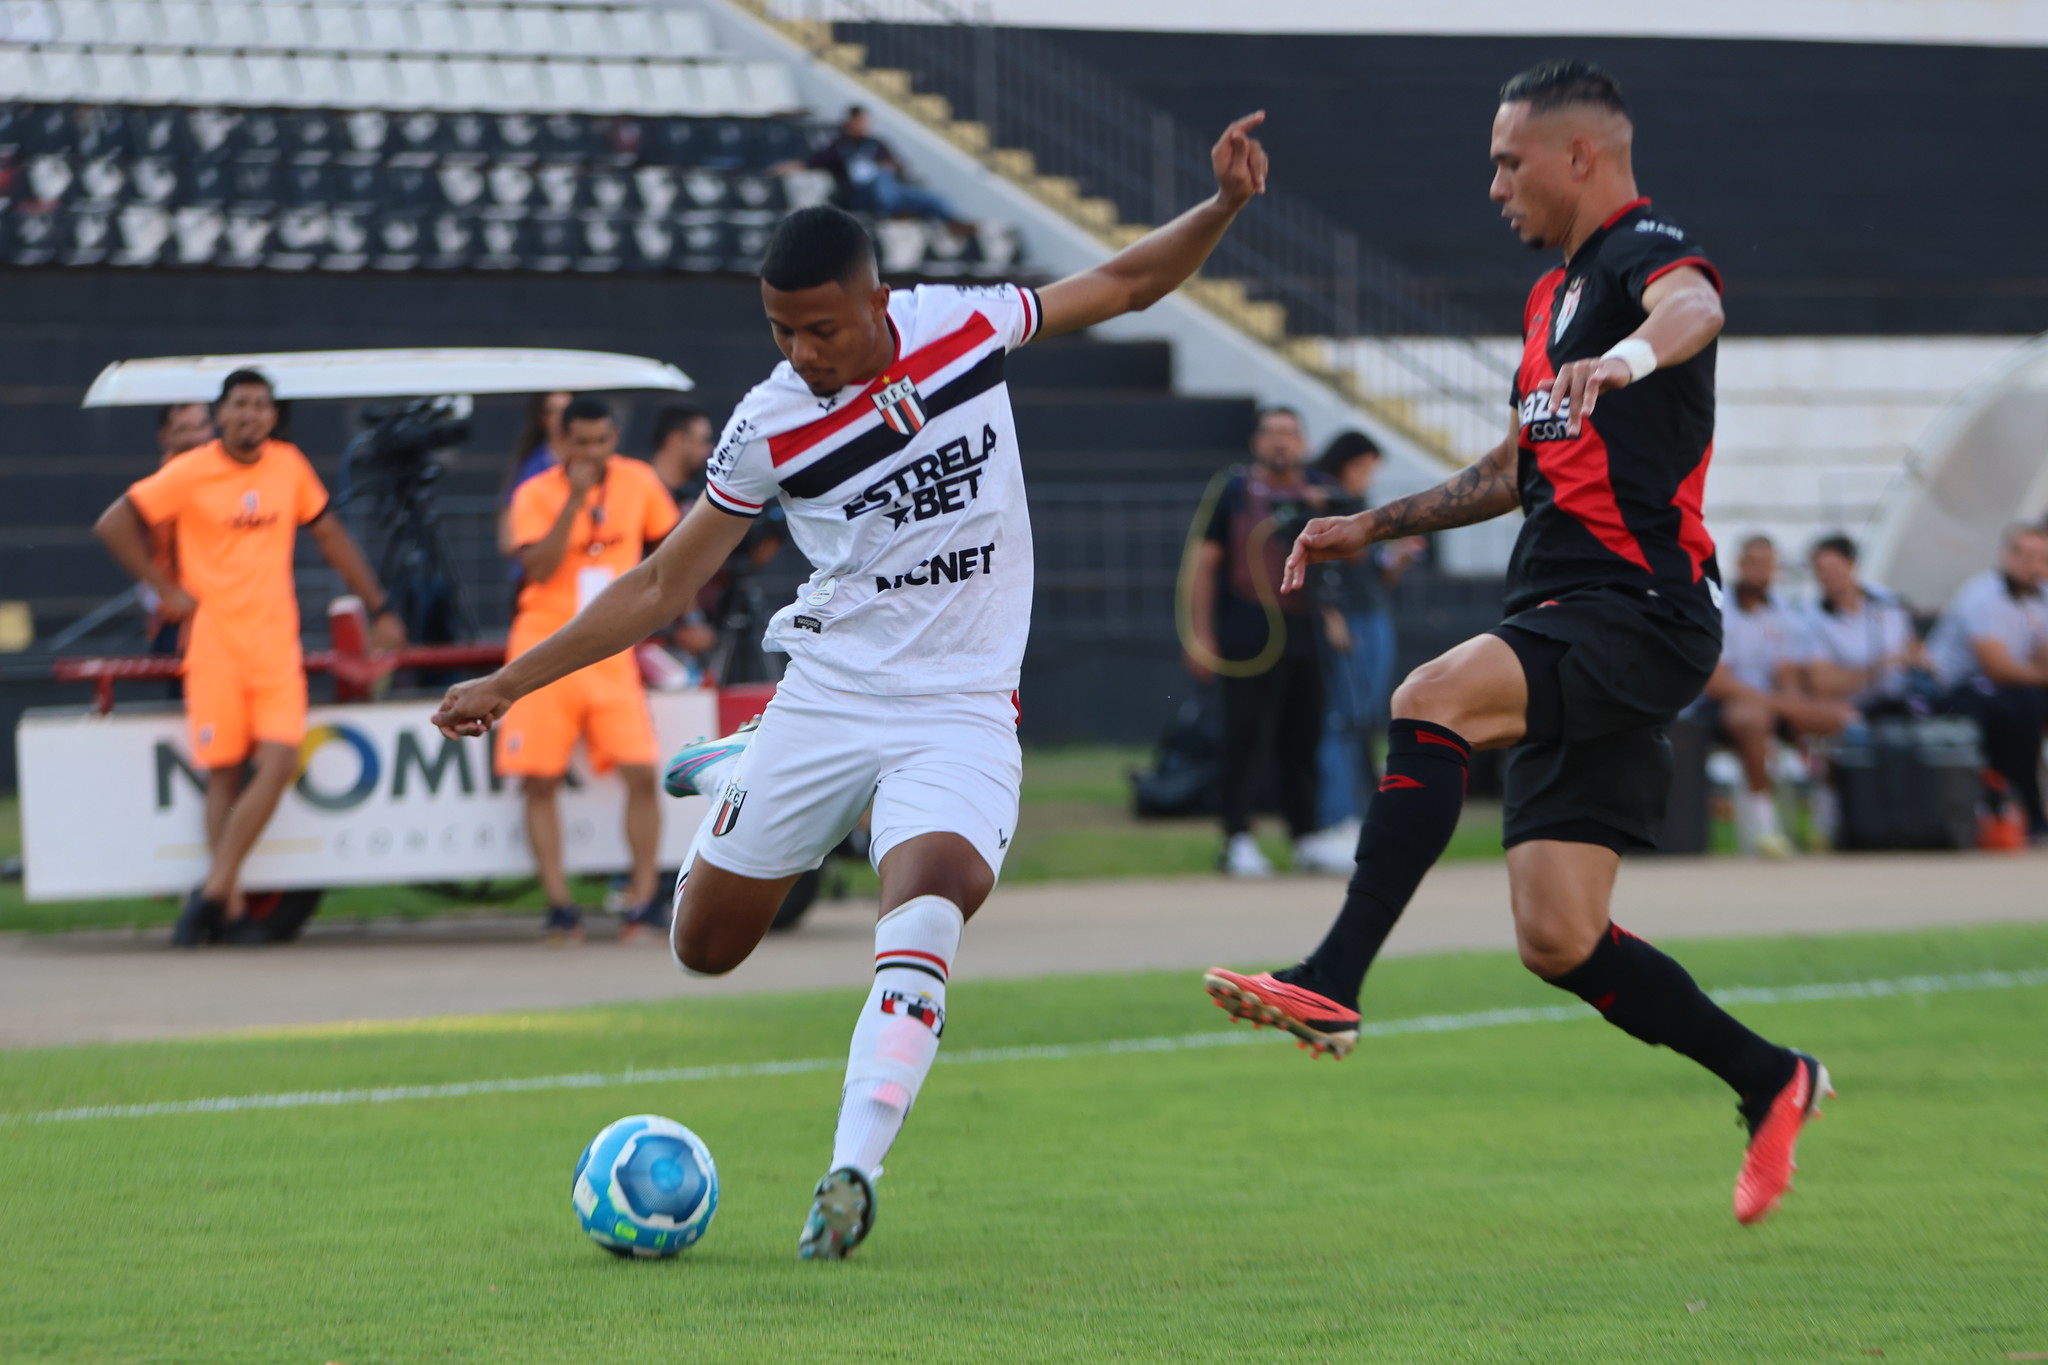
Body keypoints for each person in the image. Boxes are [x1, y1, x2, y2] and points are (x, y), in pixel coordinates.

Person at [433, 113, 1270, 1259]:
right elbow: (665, 581)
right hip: (829, 697)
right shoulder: (766, 426)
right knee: (706, 947)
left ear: (878, 302)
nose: (803, 353)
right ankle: (750, 772)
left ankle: (849, 1171)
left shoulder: (962, 327)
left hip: (961, 710)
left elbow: (1124, 283)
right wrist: (512, 679)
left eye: (821, 328)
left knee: (928, 903)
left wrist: (1220, 206)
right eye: (781, 332)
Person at [1201, 62, 1829, 1227]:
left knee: (1429, 694)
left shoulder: (1648, 255)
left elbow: (1696, 309)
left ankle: (1330, 979)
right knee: (1557, 936)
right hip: (1568, 615)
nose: (1492, 184)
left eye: (1506, 160)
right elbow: (1511, 470)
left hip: (1635, 609)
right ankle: (1771, 1077)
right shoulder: (1548, 304)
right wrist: (1363, 524)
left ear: (1576, 156)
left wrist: (1629, 357)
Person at [95, 369, 405, 945]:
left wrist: (379, 604)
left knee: (283, 760)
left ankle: (213, 890)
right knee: (224, 775)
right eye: (240, 405)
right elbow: (115, 523)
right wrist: (164, 588)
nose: (251, 416)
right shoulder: (188, 472)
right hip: (213, 645)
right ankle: (232, 909)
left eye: (261, 406)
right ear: (221, 414)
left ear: (273, 416)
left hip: (274, 643)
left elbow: (330, 534)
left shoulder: (288, 465)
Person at [497, 396, 680, 942]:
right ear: (562, 442)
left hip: (609, 647)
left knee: (642, 772)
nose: (593, 452)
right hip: (543, 643)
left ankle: (644, 901)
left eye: (602, 441)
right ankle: (560, 906)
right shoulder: (534, 493)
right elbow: (538, 567)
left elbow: (670, 548)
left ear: (613, 438)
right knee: (539, 781)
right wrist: (574, 501)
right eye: (581, 442)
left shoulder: (639, 480)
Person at [1183, 408, 1348, 877]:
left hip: (1307, 625)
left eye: (1289, 434)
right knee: (1245, 734)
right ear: (1257, 441)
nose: (1281, 443)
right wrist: (1201, 634)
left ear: (1304, 443)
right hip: (1248, 625)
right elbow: (1204, 563)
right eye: (1272, 434)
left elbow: (1349, 557)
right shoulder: (1233, 491)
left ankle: (1306, 835)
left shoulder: (1320, 489)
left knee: (1305, 733)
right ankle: (1236, 837)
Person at [1309, 431, 1425, 843]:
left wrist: (1399, 559)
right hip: (1350, 621)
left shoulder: (1355, 504)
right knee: (1343, 718)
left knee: (1363, 719)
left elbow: (1375, 573)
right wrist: (1330, 613)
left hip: (1372, 614)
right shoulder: (1323, 499)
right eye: (1363, 467)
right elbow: (1317, 563)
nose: (1367, 477)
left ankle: (1357, 814)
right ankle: (1335, 816)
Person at [1693, 534, 1835, 857]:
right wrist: (1784, 705)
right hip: (1720, 709)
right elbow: (1719, 684)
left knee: (1838, 717)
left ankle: (1828, 818)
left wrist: (1798, 711)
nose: (1761, 572)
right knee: (1753, 719)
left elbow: (1786, 673)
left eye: (1768, 565)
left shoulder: (1784, 612)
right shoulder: (1719, 608)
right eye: (1754, 563)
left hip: (1770, 705)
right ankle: (1764, 825)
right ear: (1740, 565)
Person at [1926, 523, 2048, 838]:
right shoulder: (1981, 595)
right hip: (1956, 690)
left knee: (2027, 703)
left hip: (2015, 690)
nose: (2032, 564)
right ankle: (2017, 809)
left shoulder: (2041, 597)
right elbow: (1996, 667)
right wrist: (2037, 671)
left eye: (2041, 557)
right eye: (2025, 555)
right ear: (2007, 555)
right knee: (2021, 709)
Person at [784, 105, 970, 230]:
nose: (862, 126)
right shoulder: (839, 147)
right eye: (858, 122)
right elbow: (811, 163)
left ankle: (953, 223)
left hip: (892, 191)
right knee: (880, 180)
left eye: (864, 122)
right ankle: (897, 213)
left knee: (935, 198)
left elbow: (900, 166)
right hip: (861, 196)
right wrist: (784, 168)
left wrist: (888, 166)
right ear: (849, 123)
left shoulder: (877, 144)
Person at [1802, 532, 1925, 713]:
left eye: (1833, 568)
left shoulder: (1887, 601)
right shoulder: (1812, 617)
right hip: (1854, 710)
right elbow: (1822, 682)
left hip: (1902, 700)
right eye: (1820, 570)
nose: (1827, 577)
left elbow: (1912, 646)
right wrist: (1877, 669)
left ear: (1851, 565)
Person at [143, 402, 216, 685]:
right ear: (166, 436)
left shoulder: (214, 476)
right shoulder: (166, 486)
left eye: (200, 426)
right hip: (185, 625)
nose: (194, 438)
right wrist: (166, 591)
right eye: (183, 429)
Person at [498, 389, 572, 557]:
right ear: (542, 417)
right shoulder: (529, 469)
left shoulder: (597, 463)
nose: (559, 419)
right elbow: (508, 540)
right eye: (551, 412)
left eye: (565, 411)